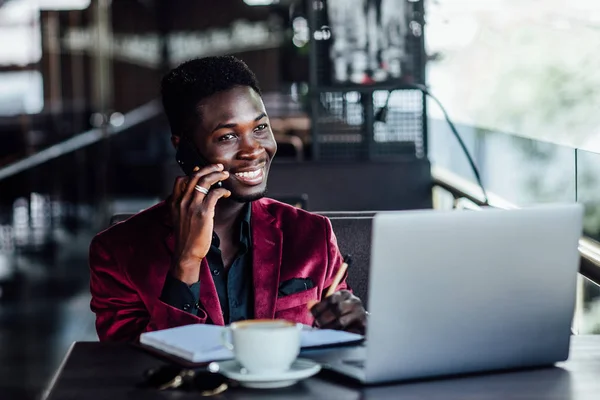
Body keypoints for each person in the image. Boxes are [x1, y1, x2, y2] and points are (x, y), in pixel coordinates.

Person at [89, 56, 367, 342]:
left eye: (260, 128)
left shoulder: (311, 234)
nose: (252, 150)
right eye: (227, 137)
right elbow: (127, 367)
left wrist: (356, 324)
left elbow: (338, 339)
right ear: (183, 147)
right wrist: (185, 262)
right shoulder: (117, 251)